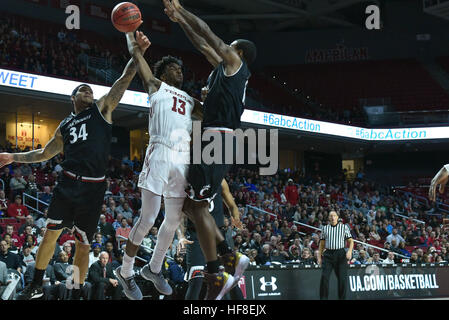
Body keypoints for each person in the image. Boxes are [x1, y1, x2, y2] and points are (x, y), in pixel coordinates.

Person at [0, 45, 144, 300]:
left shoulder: (102, 109)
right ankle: (35, 284)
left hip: (93, 187)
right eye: (82, 90)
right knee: (50, 234)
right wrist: (12, 157)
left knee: (83, 243)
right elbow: (44, 153)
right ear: (73, 98)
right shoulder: (65, 124)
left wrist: (137, 54)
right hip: (67, 184)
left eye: (90, 89)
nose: (88, 91)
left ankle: (76, 291)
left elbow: (122, 81)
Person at [162, 0, 256, 300]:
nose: (222, 47)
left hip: (216, 139)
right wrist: (178, 21)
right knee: (187, 204)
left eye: (230, 46)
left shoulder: (235, 65)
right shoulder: (221, 72)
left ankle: (218, 271)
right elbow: (202, 43)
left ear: (237, 52)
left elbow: (209, 34)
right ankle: (228, 256)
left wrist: (183, 10)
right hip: (215, 139)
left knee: (195, 206)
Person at [115, 29, 203, 300]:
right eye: (174, 69)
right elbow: (136, 57)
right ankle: (126, 271)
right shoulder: (156, 85)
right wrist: (131, 35)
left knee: (174, 218)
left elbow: (213, 113)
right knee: (149, 218)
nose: (180, 72)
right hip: (160, 151)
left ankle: (154, 269)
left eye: (180, 69)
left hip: (181, 157)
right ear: (164, 73)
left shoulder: (191, 101)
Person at [184, 180, 244, 300]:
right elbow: (179, 211)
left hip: (218, 234)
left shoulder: (220, 179)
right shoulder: (187, 177)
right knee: (196, 280)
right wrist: (180, 235)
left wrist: (236, 217)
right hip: (196, 234)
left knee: (231, 279)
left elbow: (231, 204)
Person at [318, 210, 353, 300]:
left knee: (342, 279)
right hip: (328, 254)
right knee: (324, 277)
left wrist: (349, 251)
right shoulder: (325, 228)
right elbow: (321, 244)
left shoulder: (344, 227)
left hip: (340, 254)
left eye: (334, 215)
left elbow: (351, 241)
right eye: (331, 216)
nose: (333, 217)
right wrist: (319, 257)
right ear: (328, 218)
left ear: (337, 217)